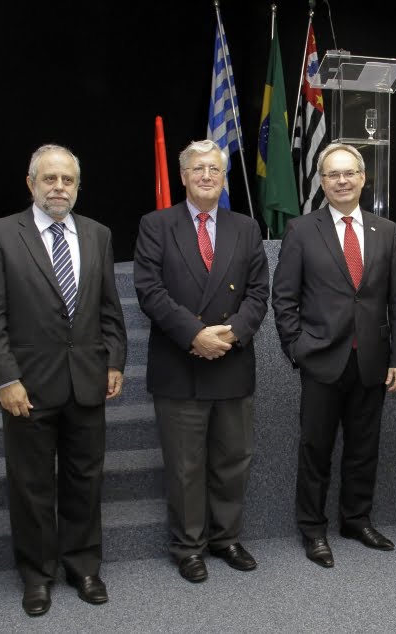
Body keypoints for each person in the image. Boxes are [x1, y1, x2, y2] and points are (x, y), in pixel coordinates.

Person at [0, 144, 127, 616]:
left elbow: (109, 310)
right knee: (31, 484)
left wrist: (114, 362)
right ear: (31, 183)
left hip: (87, 382)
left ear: (77, 186)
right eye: (50, 179)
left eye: (68, 180)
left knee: (85, 479)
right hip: (27, 389)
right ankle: (37, 575)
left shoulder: (97, 235)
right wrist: (5, 380)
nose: (59, 187)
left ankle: (83, 566)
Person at [134, 139, 269, 583]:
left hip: (231, 359)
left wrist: (230, 334)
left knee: (233, 458)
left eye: (214, 168)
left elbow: (258, 292)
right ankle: (188, 545)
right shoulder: (156, 224)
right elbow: (149, 291)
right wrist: (195, 334)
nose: (206, 175)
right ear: (184, 176)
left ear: (224, 177)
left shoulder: (246, 228)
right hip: (181, 363)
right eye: (197, 169)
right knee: (185, 464)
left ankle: (225, 537)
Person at [271, 143, 396, 568]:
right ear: (322, 180)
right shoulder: (301, 230)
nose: (342, 181)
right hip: (321, 360)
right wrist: (298, 349)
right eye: (333, 174)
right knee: (316, 449)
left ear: (363, 178)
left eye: (349, 173)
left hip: (372, 360)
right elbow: (284, 298)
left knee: (364, 448)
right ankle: (313, 530)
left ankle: (356, 519)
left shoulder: (385, 230)